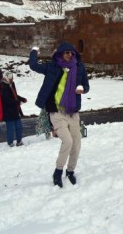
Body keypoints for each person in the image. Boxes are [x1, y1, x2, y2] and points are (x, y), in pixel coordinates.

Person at [29, 42, 89, 188]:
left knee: (76, 144)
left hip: (73, 112)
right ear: (60, 53)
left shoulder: (79, 68)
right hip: (56, 112)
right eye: (66, 52)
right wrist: (34, 51)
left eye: (71, 53)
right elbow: (34, 65)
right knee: (67, 141)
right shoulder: (52, 67)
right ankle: (58, 171)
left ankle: (70, 171)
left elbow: (86, 86)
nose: (69, 55)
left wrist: (82, 89)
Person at [1, 71, 27, 147]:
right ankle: (10, 144)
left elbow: (14, 95)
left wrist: (21, 99)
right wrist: (18, 102)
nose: (12, 79)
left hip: (15, 109)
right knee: (10, 129)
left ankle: (19, 142)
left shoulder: (11, 84)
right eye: (10, 78)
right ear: (6, 78)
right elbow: (6, 99)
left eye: (12, 78)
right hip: (8, 111)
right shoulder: (2, 86)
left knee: (19, 126)